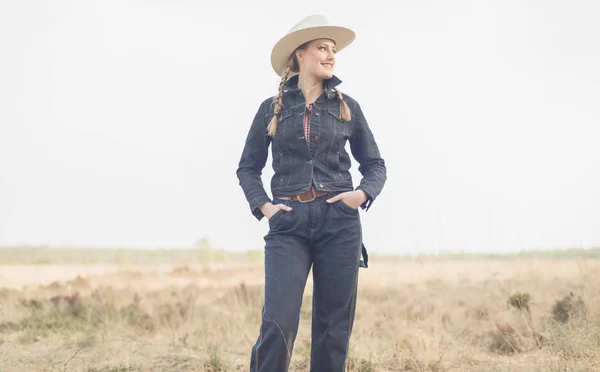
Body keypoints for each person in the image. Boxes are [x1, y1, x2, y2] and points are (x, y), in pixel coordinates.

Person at [236, 14, 387, 372]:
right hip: (288, 224)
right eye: (322, 48)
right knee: (278, 323)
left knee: (333, 330)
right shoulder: (271, 109)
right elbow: (247, 167)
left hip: (340, 224)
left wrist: (360, 195)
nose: (330, 55)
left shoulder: (346, 106)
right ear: (300, 54)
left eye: (333, 50)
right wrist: (265, 207)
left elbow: (375, 164)